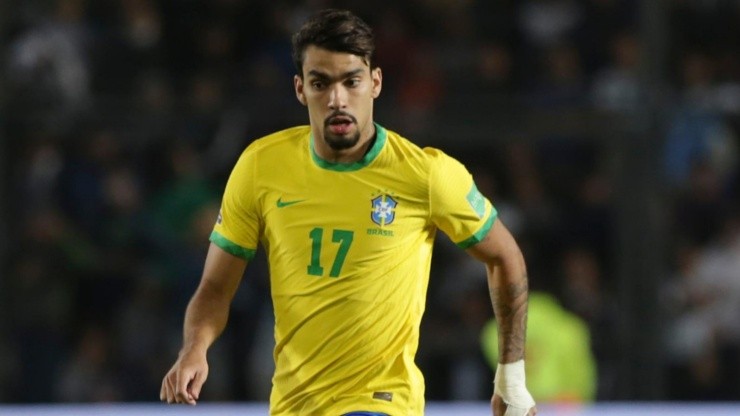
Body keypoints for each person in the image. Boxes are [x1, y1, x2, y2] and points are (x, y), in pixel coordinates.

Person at [160, 9, 536, 416]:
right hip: (292, 406)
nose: (337, 99)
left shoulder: (425, 174)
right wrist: (194, 349)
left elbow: (505, 255)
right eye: (321, 83)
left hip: (380, 404)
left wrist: (511, 378)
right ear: (300, 89)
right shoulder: (260, 167)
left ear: (374, 83)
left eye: (351, 81)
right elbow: (216, 287)